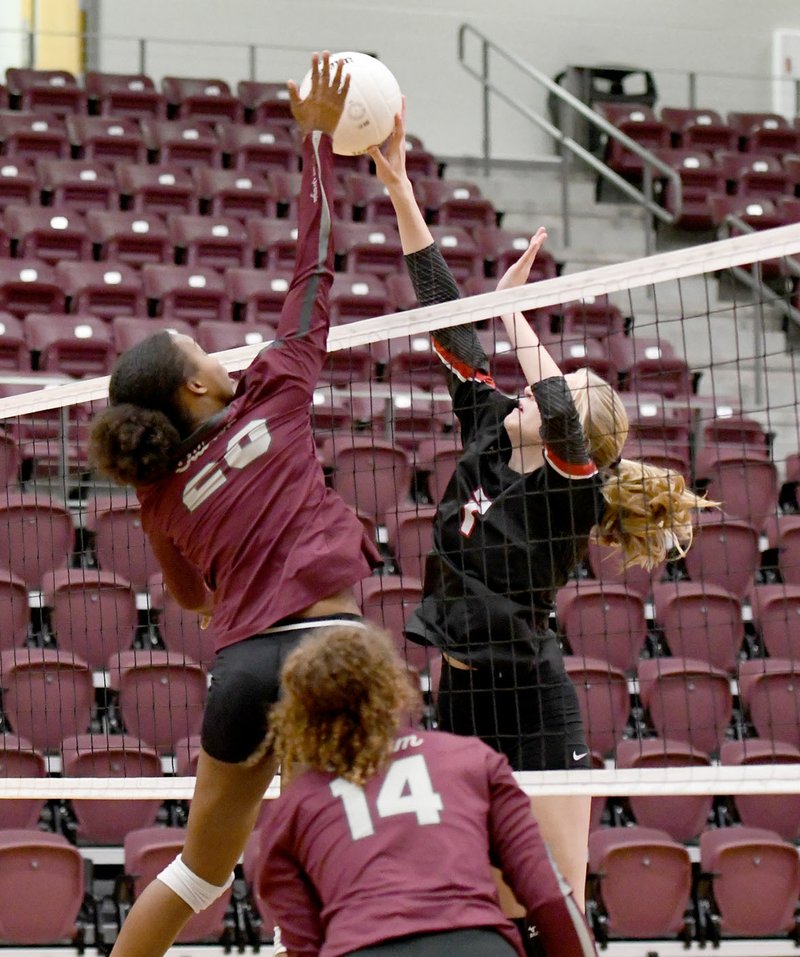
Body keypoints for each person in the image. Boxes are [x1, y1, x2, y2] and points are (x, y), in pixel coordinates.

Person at [368, 110, 716, 912]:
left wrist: (517, 310)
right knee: (475, 886)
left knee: (554, 888)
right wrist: (403, 196)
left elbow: (559, 406)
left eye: (558, 387)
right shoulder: (490, 426)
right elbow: (446, 321)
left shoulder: (570, 486)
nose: (531, 385)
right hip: (459, 694)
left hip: (530, 696)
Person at [88, 53, 382, 957]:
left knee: (197, 870)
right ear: (193, 382)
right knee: (367, 856)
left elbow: (188, 598)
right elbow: (314, 267)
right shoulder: (277, 388)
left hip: (245, 668)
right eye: (201, 346)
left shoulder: (158, 488)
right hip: (333, 652)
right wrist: (317, 144)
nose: (219, 349)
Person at [258, 622, 599, 957]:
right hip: (475, 946)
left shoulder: (292, 809)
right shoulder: (470, 760)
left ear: (298, 716)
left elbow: (303, 947)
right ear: (394, 691)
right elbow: (549, 895)